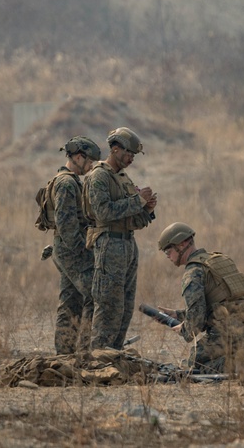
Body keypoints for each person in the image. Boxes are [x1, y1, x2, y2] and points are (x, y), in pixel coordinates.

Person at [157, 222, 244, 379]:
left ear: (181, 244)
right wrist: (180, 315)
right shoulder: (219, 259)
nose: (168, 256)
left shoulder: (193, 272)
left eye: (168, 250)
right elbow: (223, 302)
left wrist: (184, 329)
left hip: (230, 331)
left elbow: (195, 322)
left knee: (196, 362)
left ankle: (237, 364)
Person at [82, 127, 157, 350]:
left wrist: (146, 209)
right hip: (109, 245)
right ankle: (99, 357)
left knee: (124, 306)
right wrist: (138, 202)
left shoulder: (121, 177)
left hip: (127, 245)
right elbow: (103, 213)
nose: (131, 159)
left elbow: (133, 219)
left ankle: (113, 354)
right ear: (115, 149)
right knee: (108, 305)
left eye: (133, 155)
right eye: (128, 154)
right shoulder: (99, 177)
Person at [48, 136, 101, 354]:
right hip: (72, 250)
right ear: (78, 157)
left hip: (64, 249)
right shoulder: (67, 183)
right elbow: (66, 224)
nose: (90, 169)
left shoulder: (65, 180)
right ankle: (86, 350)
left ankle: (65, 354)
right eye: (89, 163)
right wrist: (83, 250)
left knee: (70, 301)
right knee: (94, 294)